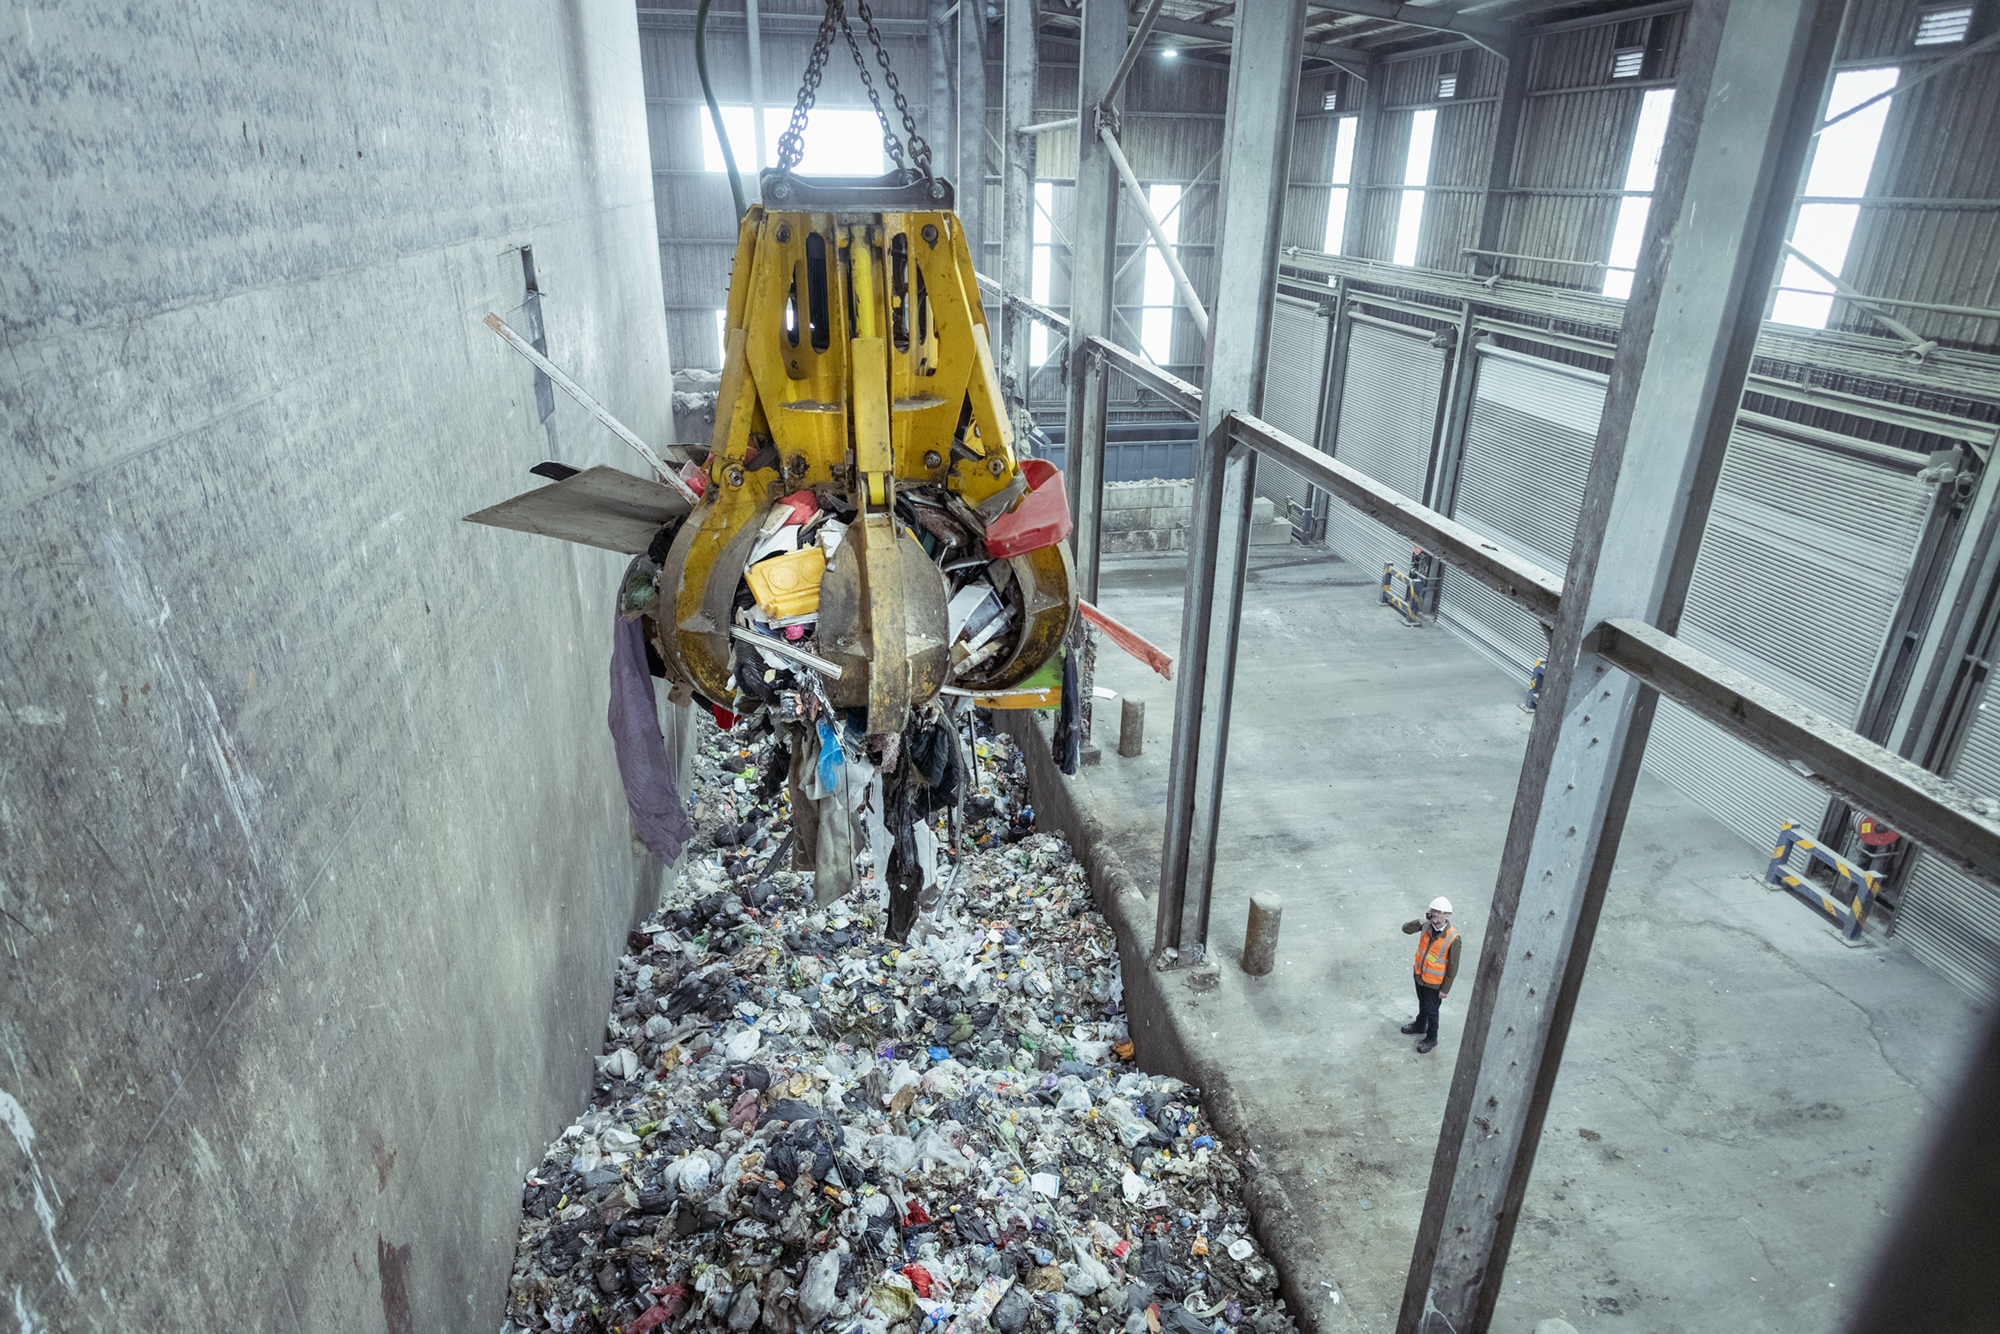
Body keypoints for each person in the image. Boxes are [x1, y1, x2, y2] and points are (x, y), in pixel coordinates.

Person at [1400, 897, 1461, 1054]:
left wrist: (1445, 989)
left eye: (1439, 912)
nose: (1435, 914)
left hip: (1435, 982)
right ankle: (1420, 1025)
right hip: (1420, 975)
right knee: (1422, 1003)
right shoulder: (1425, 926)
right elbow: (1405, 929)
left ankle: (1431, 1038)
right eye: (1433, 910)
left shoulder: (1453, 938)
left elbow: (1453, 967)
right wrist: (1420, 921)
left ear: (1447, 915)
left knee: (1432, 1011)